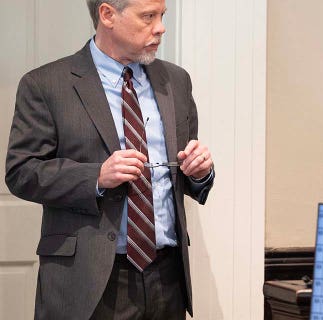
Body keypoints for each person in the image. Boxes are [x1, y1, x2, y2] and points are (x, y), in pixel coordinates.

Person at [5, 0, 214, 319]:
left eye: (162, 16)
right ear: (107, 15)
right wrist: (96, 177)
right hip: (88, 280)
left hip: (167, 276)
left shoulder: (176, 81)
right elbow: (22, 172)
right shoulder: (46, 85)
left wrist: (199, 172)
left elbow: (183, 171)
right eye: (148, 17)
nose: (160, 27)